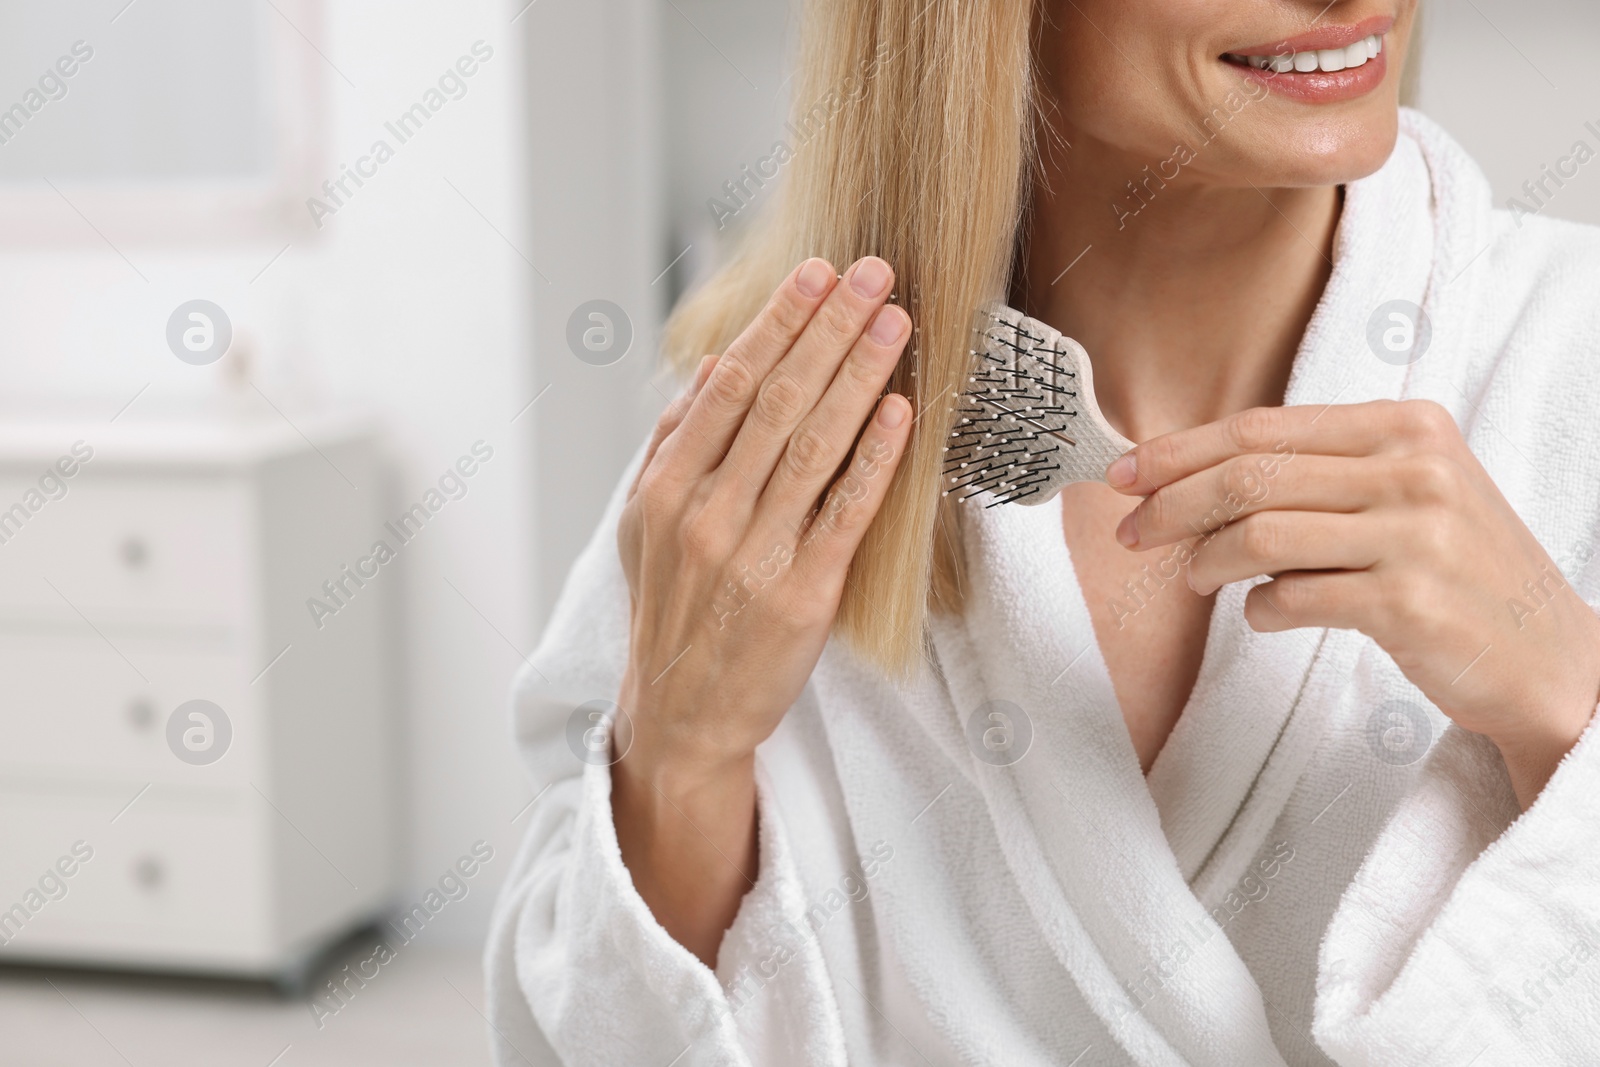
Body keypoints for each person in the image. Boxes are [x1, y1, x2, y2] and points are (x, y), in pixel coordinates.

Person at [488, 1, 1600, 1063]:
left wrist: (1570, 696)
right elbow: (566, 1034)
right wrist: (678, 763)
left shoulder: (1568, 357)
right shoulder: (761, 446)